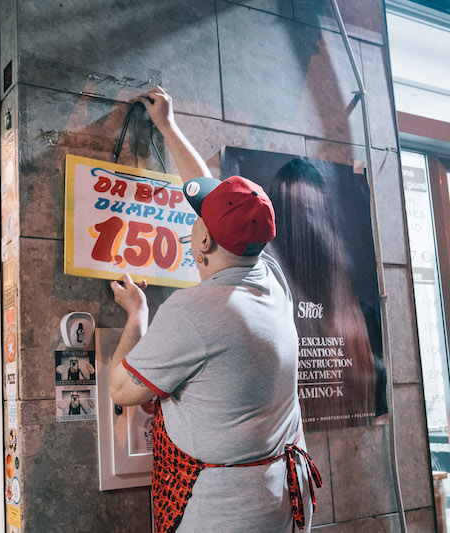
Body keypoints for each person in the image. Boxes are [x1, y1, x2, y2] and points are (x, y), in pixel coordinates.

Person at [107, 86, 321, 532]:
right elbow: (215, 199)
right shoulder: (270, 275)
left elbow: (122, 391)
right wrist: (168, 125)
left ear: (202, 241)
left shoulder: (194, 310)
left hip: (227, 515)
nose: (193, 225)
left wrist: (136, 315)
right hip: (282, 498)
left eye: (197, 222)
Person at [267, 158, 380, 428]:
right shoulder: (265, 317)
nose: (310, 233)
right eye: (298, 217)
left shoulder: (366, 319)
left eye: (315, 215)